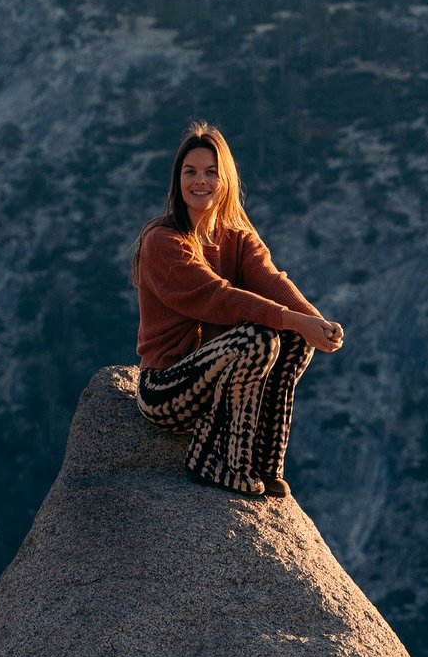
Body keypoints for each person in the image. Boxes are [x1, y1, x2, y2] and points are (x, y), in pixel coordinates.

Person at [131, 120, 344, 498]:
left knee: (294, 339)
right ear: (177, 181)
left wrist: (314, 322)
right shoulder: (163, 241)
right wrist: (294, 319)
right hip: (166, 387)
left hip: (213, 380)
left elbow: (270, 279)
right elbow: (219, 297)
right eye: (190, 172)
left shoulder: (237, 236)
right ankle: (219, 461)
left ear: (225, 179)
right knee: (258, 338)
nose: (200, 181)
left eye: (211, 172)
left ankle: (265, 461)